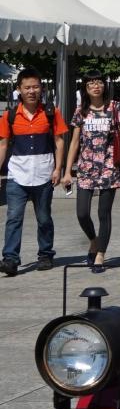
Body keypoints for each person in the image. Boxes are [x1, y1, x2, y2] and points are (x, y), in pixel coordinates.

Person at [0, 69, 69, 276]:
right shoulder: (10, 115)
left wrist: (58, 168)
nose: (32, 91)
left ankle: (45, 254)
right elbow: (3, 145)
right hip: (17, 175)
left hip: (43, 173)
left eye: (35, 87)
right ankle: (10, 259)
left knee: (44, 217)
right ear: (19, 90)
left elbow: (59, 141)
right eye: (27, 87)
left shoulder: (51, 112)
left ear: (41, 89)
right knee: (13, 217)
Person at [61, 71, 120, 271]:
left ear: (104, 86)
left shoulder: (115, 107)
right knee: (82, 213)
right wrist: (67, 171)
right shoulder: (81, 111)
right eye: (91, 84)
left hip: (109, 167)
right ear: (85, 88)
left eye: (99, 82)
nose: (96, 86)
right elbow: (74, 142)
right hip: (86, 168)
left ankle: (100, 254)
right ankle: (94, 240)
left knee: (103, 213)